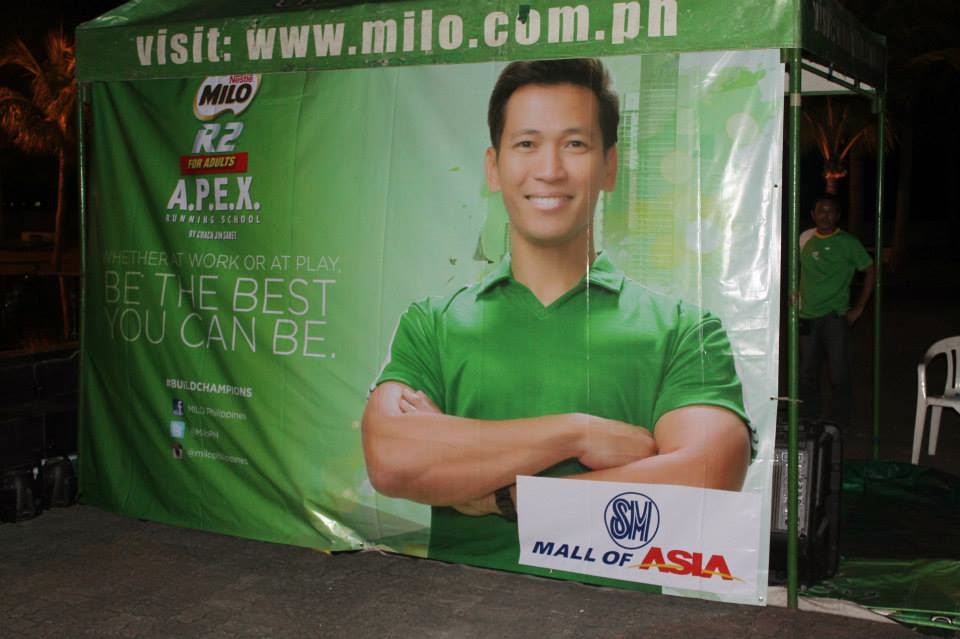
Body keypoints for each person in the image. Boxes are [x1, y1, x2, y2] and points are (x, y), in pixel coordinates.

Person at [361, 58, 750, 572]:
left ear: (609, 167)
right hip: (454, 606)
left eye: (575, 144)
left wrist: (506, 497)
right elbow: (391, 460)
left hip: (620, 613)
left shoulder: (683, 331)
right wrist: (576, 434)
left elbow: (707, 480)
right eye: (526, 144)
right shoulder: (433, 324)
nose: (549, 169)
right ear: (493, 167)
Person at [799, 195, 875, 426]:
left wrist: (859, 308)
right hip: (806, 315)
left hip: (835, 316)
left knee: (838, 372)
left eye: (830, 211)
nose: (825, 216)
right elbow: (794, 269)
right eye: (821, 211)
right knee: (806, 372)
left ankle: (839, 422)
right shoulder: (805, 239)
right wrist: (793, 292)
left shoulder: (848, 242)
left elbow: (870, 270)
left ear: (838, 216)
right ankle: (809, 418)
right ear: (813, 215)